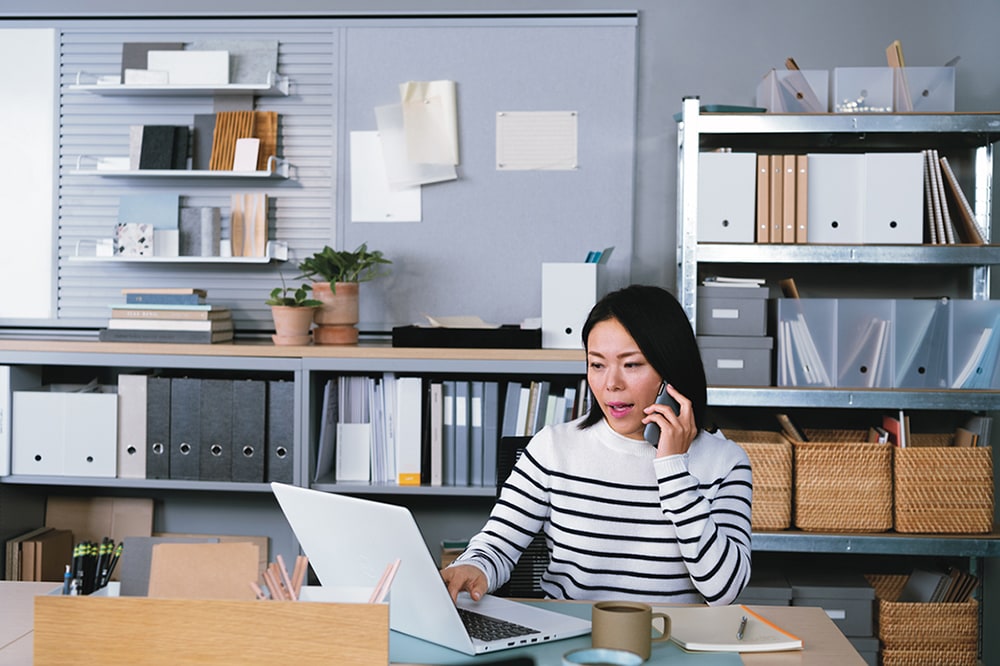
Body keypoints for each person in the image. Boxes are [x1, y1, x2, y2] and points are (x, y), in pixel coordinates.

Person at [441, 284, 752, 605]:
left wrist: (673, 470)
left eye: (631, 364)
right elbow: (497, 544)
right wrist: (473, 565)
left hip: (673, 642)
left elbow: (723, 592)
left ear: (670, 370)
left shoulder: (725, 462)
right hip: (573, 640)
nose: (611, 383)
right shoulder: (553, 448)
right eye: (597, 364)